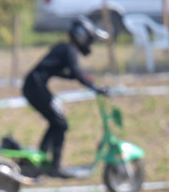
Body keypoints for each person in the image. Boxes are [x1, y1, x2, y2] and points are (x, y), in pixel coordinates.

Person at [21, 16, 109, 178]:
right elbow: (74, 72)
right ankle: (54, 167)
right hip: (35, 87)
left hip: (33, 86)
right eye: (89, 40)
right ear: (81, 36)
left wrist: (84, 79)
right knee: (60, 123)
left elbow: (59, 71)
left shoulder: (66, 49)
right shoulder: (70, 50)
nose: (90, 44)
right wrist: (94, 88)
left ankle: (41, 161)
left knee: (57, 123)